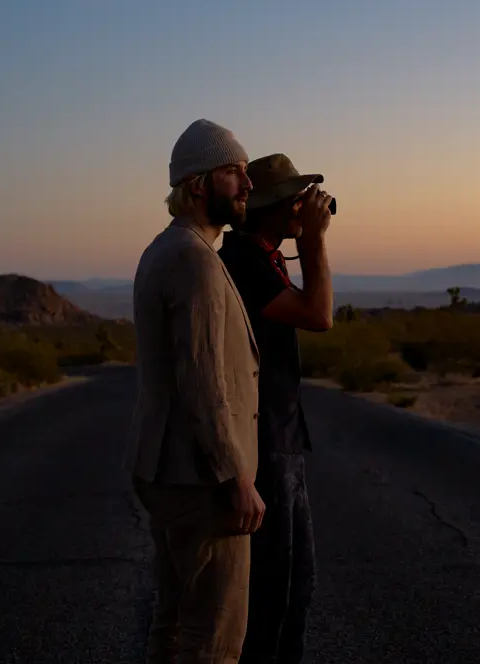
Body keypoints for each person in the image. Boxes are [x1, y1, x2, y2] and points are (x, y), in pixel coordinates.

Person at [124, 118, 266, 663]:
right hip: (199, 478)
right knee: (215, 638)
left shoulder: (163, 249)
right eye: (235, 172)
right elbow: (204, 382)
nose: (248, 185)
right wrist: (235, 477)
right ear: (199, 184)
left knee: (174, 623)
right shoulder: (193, 261)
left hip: (166, 469)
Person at [217, 153, 334, 663]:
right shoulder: (245, 262)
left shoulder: (261, 257)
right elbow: (318, 315)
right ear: (271, 209)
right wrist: (313, 241)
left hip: (281, 438)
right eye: (295, 199)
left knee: (295, 586)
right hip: (265, 447)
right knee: (273, 594)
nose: (304, 207)